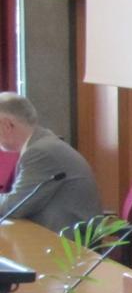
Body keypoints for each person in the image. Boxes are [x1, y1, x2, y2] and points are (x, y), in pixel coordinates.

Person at [0, 92, 102, 231]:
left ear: (8, 125)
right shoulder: (43, 143)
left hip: (66, 240)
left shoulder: (41, 152)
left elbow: (14, 207)